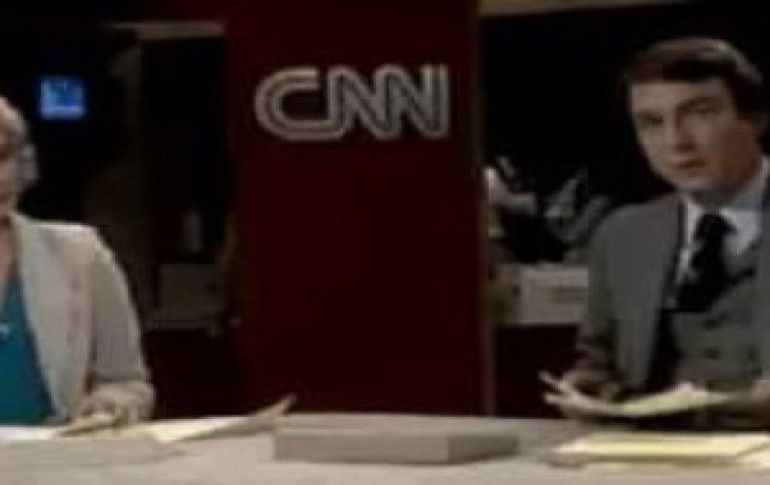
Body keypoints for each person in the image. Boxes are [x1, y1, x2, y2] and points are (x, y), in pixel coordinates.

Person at [561, 37, 770, 427]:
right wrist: (587, 388)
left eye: (700, 114)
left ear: (755, 118)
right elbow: (596, 360)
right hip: (648, 450)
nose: (677, 142)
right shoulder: (624, 235)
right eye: (652, 123)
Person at [0, 96, 153, 425]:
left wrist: (111, 404)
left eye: (2, 158)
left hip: (53, 455)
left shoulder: (81, 254)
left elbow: (128, 382)